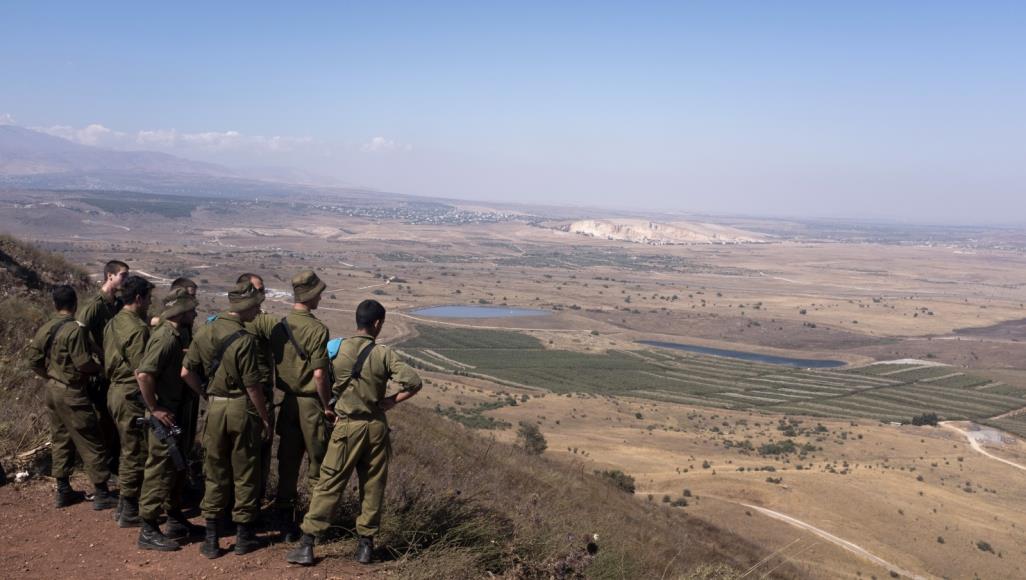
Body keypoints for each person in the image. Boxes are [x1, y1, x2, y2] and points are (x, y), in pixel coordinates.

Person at [286, 299, 423, 566]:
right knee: (372, 486)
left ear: (357, 321)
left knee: (329, 483)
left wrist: (328, 406)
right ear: (377, 324)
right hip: (375, 427)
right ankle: (365, 546)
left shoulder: (337, 349)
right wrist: (392, 401)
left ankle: (307, 544)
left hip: (346, 425)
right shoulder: (383, 354)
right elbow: (414, 381)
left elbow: (319, 377)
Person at [181, 280, 273, 559]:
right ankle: (243, 537)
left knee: (214, 470)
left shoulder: (205, 330)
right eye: (256, 306)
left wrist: (207, 395)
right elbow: (253, 387)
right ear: (244, 307)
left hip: (215, 409)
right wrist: (265, 418)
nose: (258, 311)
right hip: (241, 409)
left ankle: (211, 539)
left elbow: (186, 372)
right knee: (245, 472)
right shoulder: (244, 340)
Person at [26, 285, 119, 511]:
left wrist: (49, 376)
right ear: (75, 303)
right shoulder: (74, 330)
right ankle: (101, 492)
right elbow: (82, 363)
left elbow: (34, 360)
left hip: (53, 390)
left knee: (61, 439)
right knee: (91, 438)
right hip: (72, 392)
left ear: (55, 304)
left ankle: (63, 490)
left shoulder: (47, 327)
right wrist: (99, 370)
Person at [136, 288, 205, 551]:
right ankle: (148, 528)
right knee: (159, 469)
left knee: (176, 466)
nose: (195, 312)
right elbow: (143, 375)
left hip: (175, 411)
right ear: (181, 311)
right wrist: (154, 408)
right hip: (163, 415)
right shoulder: (165, 338)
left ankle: (175, 518)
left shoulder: (176, 335)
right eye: (191, 309)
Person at [268, 270, 333, 541]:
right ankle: (314, 526)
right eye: (318, 292)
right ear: (310, 296)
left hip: (287, 404)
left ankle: (284, 519)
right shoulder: (317, 329)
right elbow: (319, 374)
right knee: (318, 464)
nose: (321, 296)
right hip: (310, 405)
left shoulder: (278, 326)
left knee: (288, 462)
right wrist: (327, 404)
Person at [104, 274, 155, 527]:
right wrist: (154, 405)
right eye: (148, 298)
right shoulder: (137, 330)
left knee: (127, 448)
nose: (149, 303)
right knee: (136, 450)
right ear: (138, 298)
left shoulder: (113, 322)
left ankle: (125, 505)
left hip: (115, 390)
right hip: (130, 394)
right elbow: (141, 372)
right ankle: (130, 508)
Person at [77, 260, 129, 474]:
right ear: (110, 276)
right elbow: (79, 332)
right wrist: (97, 352)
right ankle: (103, 470)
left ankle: (115, 466)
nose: (125, 280)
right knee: (104, 422)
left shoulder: (116, 304)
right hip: (101, 371)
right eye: (123, 275)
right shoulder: (95, 305)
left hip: (115, 370)